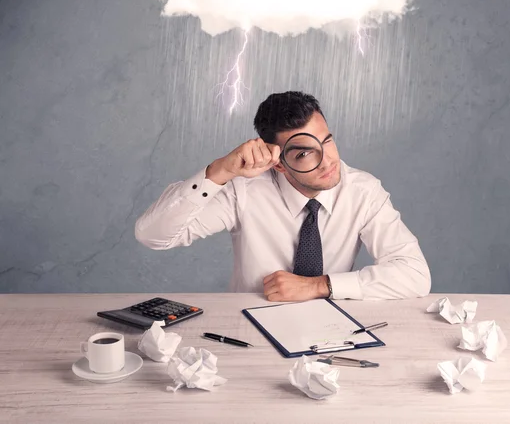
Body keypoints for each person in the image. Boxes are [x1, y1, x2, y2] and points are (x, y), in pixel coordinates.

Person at [135, 91, 431, 302]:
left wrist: (319, 286)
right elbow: (153, 236)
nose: (327, 161)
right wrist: (220, 171)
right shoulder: (244, 192)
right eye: (304, 153)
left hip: (333, 329)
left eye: (327, 141)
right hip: (249, 324)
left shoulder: (362, 192)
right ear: (279, 162)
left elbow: (415, 275)